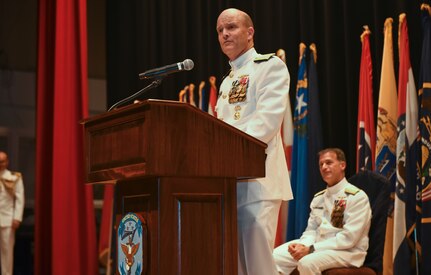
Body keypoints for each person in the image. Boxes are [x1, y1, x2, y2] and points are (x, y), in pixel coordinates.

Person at [216, 8, 293, 275]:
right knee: (236, 268)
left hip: (258, 183)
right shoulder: (227, 82)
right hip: (229, 184)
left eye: (231, 27)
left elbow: (266, 123)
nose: (225, 34)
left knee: (258, 268)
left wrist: (224, 151)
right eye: (220, 30)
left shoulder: (269, 66)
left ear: (250, 33)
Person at [273, 148, 372, 275]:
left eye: (329, 162)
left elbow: (348, 238)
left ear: (342, 165)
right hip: (317, 247)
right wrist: (302, 246)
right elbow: (311, 231)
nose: (324, 167)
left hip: (347, 251)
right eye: (321, 164)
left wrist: (310, 249)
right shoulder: (318, 198)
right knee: (275, 257)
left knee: (306, 263)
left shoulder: (356, 197)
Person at [0, 151, 25, 275]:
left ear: (7, 162)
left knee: (7, 252)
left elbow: (20, 198)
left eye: (2, 161)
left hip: (7, 219)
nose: (0, 164)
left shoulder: (14, 177)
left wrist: (17, 218)